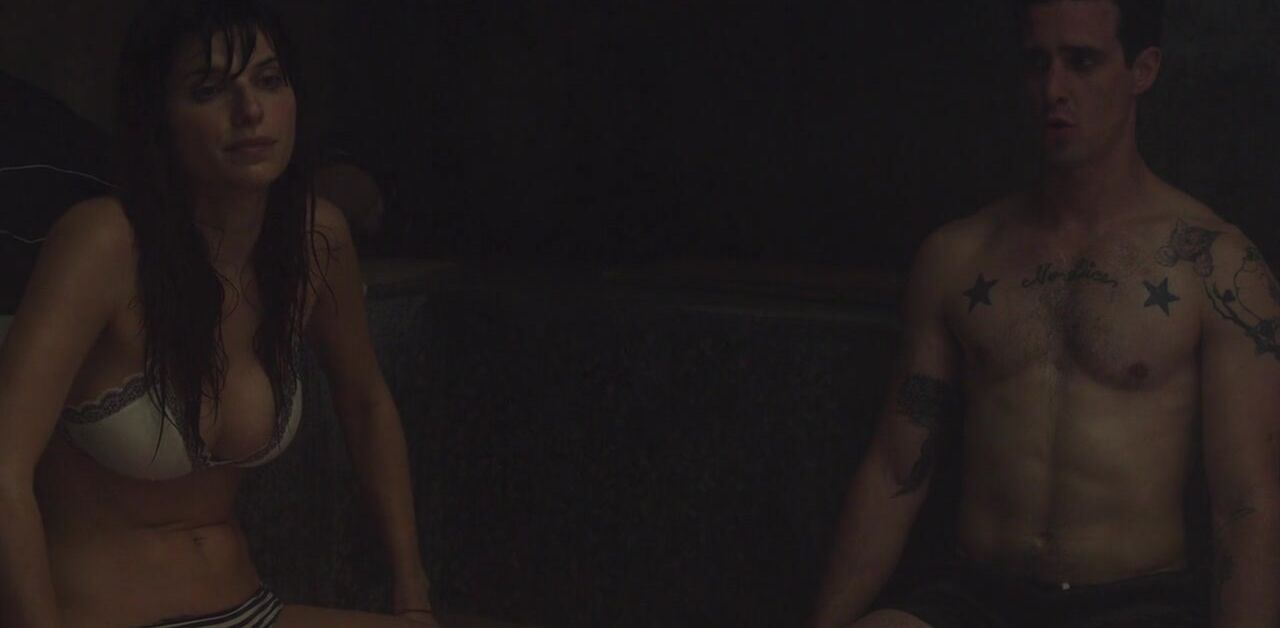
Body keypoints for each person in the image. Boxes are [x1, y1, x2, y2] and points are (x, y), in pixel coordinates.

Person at [812, 0, 1280, 626]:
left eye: (1082, 62)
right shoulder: (958, 256)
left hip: (1135, 606)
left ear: (1142, 70)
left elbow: (1246, 504)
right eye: (1037, 63)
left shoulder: (1213, 265)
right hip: (976, 598)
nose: (1053, 90)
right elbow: (895, 470)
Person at [0, 1, 438, 626]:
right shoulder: (102, 244)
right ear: (159, 117)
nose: (250, 110)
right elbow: (4, 467)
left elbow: (366, 403)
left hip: (246, 607)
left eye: (269, 80)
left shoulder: (316, 241)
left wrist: (412, 595)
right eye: (209, 89)